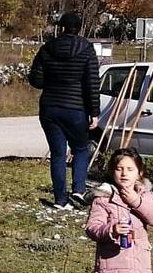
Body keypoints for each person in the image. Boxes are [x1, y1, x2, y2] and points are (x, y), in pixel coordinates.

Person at [28, 12, 100, 210]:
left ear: (60, 27)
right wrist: (94, 112)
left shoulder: (47, 48)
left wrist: (52, 80)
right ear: (80, 27)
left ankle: (60, 200)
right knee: (81, 149)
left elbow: (36, 80)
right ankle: (78, 189)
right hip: (76, 108)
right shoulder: (86, 49)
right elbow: (92, 83)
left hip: (49, 107)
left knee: (58, 154)